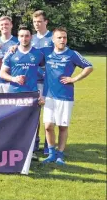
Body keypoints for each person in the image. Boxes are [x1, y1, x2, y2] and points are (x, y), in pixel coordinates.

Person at [41, 28, 93, 165]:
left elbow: (89, 66)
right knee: (48, 126)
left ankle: (60, 155)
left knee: (62, 126)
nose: (62, 40)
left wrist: (74, 79)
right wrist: (14, 47)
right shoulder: (47, 53)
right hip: (48, 96)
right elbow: (30, 53)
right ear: (53, 39)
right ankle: (51, 153)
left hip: (65, 96)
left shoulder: (72, 54)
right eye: (59, 38)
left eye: (64, 37)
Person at [31, 10, 54, 155]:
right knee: (35, 114)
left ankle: (48, 145)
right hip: (34, 80)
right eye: (34, 22)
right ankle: (34, 143)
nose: (37, 24)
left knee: (49, 114)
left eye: (39, 21)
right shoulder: (30, 38)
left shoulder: (53, 38)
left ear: (46, 22)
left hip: (49, 81)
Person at [0, 26, 45, 94]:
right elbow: (2, 73)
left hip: (32, 94)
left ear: (31, 37)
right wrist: (14, 79)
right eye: (21, 36)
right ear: (18, 37)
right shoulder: (11, 52)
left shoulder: (39, 53)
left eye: (27, 36)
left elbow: (46, 70)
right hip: (14, 93)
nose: (24, 39)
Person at [0, 16, 19, 93]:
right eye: (2, 25)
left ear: (11, 25)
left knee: (11, 105)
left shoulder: (18, 42)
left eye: (6, 24)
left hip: (12, 81)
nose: (4, 26)